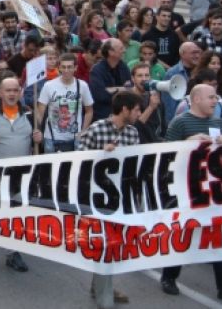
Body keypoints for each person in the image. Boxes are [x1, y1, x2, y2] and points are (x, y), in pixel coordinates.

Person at [160, 84, 222, 304]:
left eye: (216, 98)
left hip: (213, 192)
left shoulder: (217, 123)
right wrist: (186, 143)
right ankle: (169, 277)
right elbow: (165, 155)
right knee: (183, 235)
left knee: (220, 237)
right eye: (211, 97)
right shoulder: (181, 122)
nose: (216, 101)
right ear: (196, 99)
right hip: (188, 190)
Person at [78, 91, 141, 309]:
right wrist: (101, 154)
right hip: (97, 198)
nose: (138, 114)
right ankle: (105, 299)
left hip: (121, 197)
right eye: (136, 109)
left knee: (112, 243)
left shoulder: (133, 133)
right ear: (124, 109)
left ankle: (100, 286)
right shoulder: (96, 129)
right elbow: (78, 161)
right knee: (104, 243)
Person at [0, 75, 41, 271]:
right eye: (8, 90)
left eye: (15, 90)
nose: (12, 94)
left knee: (15, 216)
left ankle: (12, 254)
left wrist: (39, 138)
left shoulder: (30, 116)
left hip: (21, 175)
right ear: (0, 93)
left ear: (20, 92)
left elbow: (39, 148)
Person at [36, 53, 94, 152]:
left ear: (75, 68)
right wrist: (39, 130)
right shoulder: (49, 85)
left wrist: (83, 131)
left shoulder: (82, 85)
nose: (66, 70)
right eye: (63, 67)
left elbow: (89, 110)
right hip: (51, 137)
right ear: (59, 68)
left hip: (75, 138)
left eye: (69, 67)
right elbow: (40, 111)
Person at [89, 39, 132, 121]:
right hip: (103, 116)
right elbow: (100, 95)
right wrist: (122, 88)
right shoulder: (97, 70)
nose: (124, 51)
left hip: (122, 114)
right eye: (121, 48)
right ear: (111, 52)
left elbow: (129, 89)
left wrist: (112, 89)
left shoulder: (124, 67)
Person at [162, 41, 201, 122]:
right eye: (193, 53)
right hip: (180, 122)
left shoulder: (202, 71)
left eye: (198, 52)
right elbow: (169, 105)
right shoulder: (172, 74)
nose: (197, 56)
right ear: (182, 54)